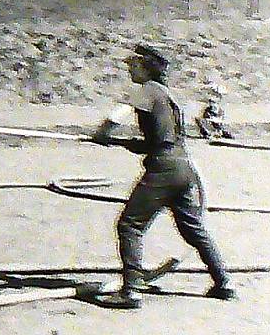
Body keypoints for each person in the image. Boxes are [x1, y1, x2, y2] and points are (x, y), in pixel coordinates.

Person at [90, 43, 234, 309]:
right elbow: (162, 139)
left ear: (146, 69)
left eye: (133, 65)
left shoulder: (146, 92)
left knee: (130, 225)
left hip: (164, 170)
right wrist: (126, 143)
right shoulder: (168, 96)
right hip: (183, 168)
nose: (129, 69)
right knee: (194, 229)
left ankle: (131, 292)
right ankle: (224, 283)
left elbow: (115, 117)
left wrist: (102, 134)